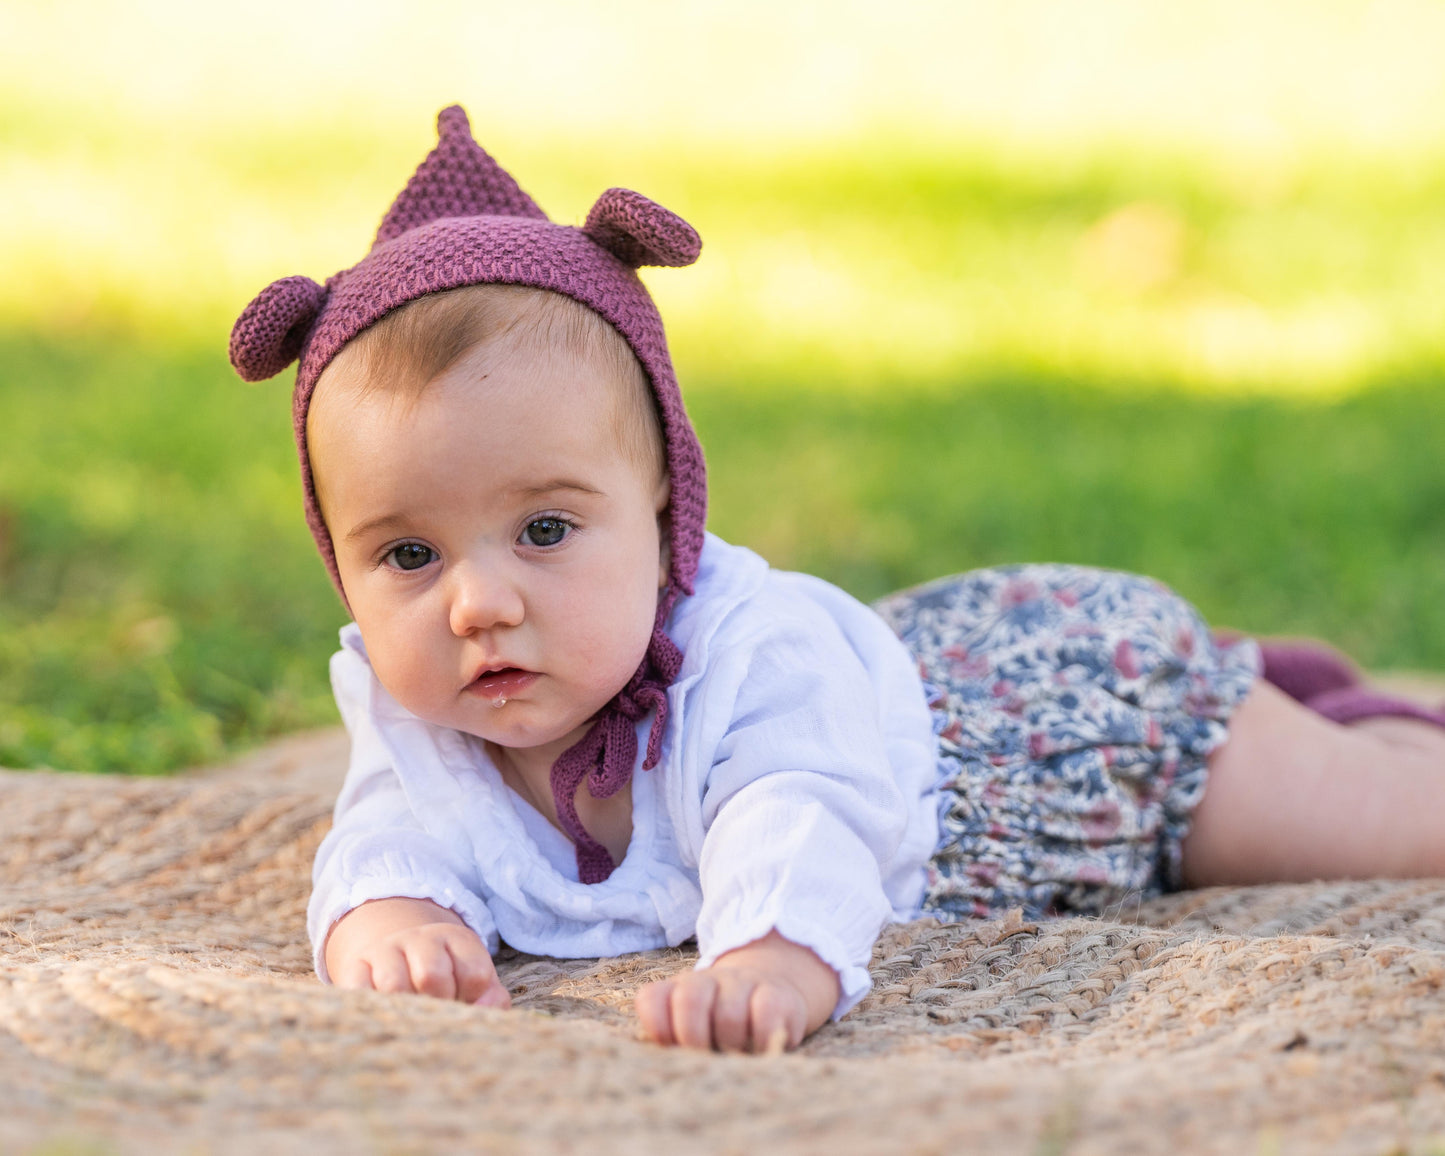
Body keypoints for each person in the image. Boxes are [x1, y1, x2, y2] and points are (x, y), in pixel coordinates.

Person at [230, 106, 1445, 1054]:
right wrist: (389, 924)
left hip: (1074, 734)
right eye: (406, 554)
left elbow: (796, 803)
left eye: (544, 530)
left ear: (665, 518)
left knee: (1393, 824)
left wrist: (772, 952)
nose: (476, 602)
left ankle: (1334, 730)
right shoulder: (420, 709)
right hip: (935, 654)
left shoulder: (752, 661)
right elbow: (389, 832)